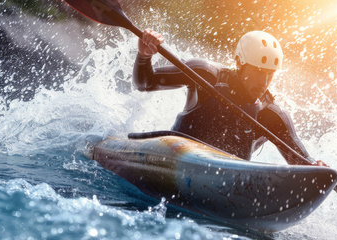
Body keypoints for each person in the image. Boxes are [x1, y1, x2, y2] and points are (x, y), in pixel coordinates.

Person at [133, 29, 326, 166]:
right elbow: (145, 83)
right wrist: (144, 55)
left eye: (270, 74)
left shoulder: (271, 115)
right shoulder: (206, 74)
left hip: (226, 174)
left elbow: (302, 162)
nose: (264, 81)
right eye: (258, 71)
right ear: (239, 63)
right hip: (175, 155)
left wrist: (315, 166)